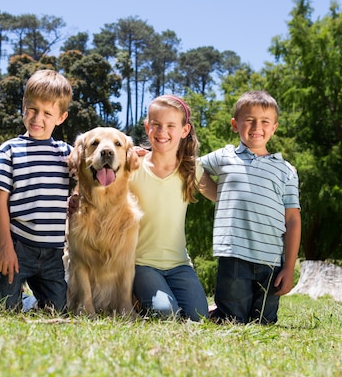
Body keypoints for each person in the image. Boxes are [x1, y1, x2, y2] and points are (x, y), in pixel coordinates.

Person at [0, 69, 72, 312]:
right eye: (33, 109)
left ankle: (25, 298)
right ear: (23, 105)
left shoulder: (67, 153)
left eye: (48, 113)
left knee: (58, 309)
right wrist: (5, 246)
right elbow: (0, 202)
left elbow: (94, 170)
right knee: (4, 308)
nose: (38, 118)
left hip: (53, 253)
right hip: (17, 246)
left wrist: (138, 155)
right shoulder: (9, 150)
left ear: (61, 117)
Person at [199, 90, 301, 324]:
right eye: (249, 120)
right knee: (232, 319)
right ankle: (219, 310)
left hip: (271, 261)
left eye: (265, 121)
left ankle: (219, 309)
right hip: (235, 254)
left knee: (264, 322)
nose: (257, 127)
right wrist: (219, 196)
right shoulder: (225, 156)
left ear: (273, 128)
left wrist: (289, 267)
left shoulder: (286, 170)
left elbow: (293, 220)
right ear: (235, 124)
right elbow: (192, 169)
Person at [129, 94, 215, 321]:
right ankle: (133, 297)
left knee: (199, 317)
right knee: (167, 315)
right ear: (147, 127)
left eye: (170, 126)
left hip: (179, 264)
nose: (162, 132)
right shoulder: (133, 166)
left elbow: (225, 199)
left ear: (184, 130)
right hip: (141, 263)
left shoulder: (191, 170)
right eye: (156, 125)